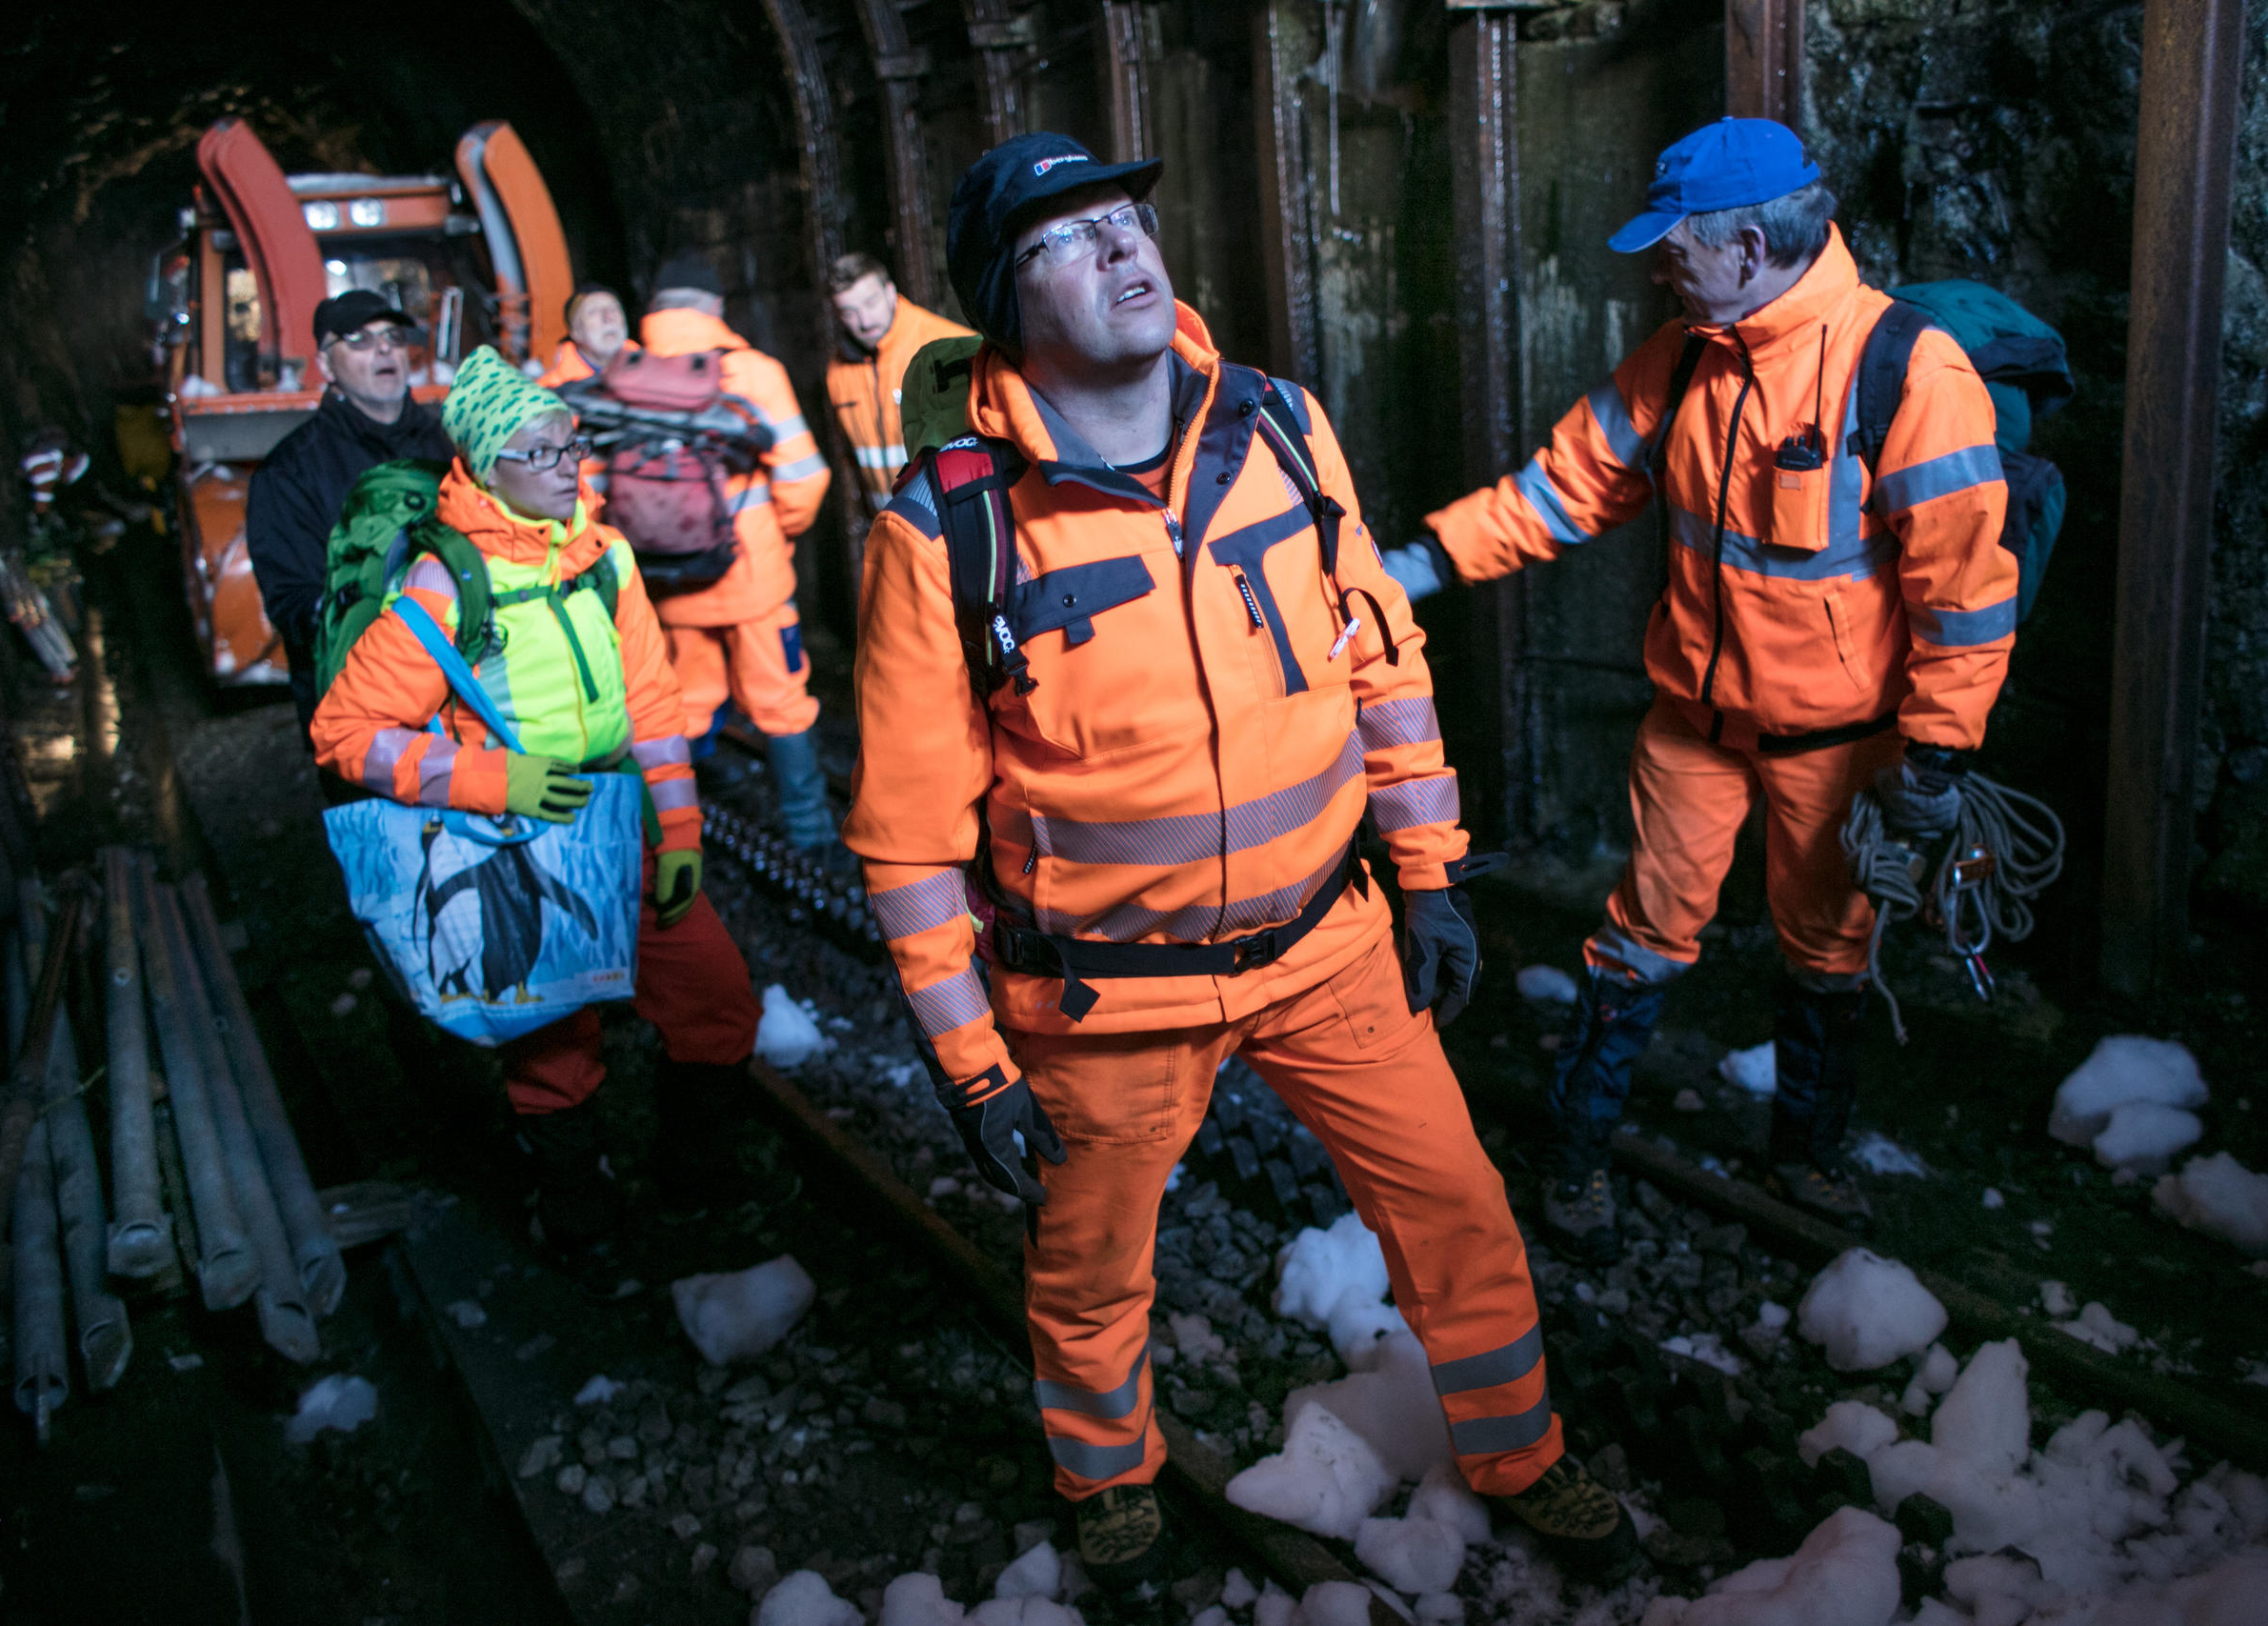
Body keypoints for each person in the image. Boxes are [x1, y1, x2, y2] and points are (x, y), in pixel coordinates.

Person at [844, 131, 1638, 1595]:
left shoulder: (1274, 423)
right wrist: (972, 1065)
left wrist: (1429, 871)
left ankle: (1521, 1449)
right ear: (1005, 308)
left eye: (1127, 220)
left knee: (1457, 1208)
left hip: (1329, 945)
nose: (1125, 250)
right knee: (1089, 1272)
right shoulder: (947, 527)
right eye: (1065, 242)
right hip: (1107, 999)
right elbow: (906, 836)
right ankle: (1107, 1479)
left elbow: (1377, 660)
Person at [1382, 117, 2016, 1247]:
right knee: (1635, 940)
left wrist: (1933, 758)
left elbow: (1963, 593)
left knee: (1827, 957)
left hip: (1839, 750)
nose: (1660, 267)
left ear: (1752, 245)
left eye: (1676, 247)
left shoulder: (1905, 370)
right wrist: (1421, 566)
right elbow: (1561, 488)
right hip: (1691, 732)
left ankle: (1806, 1162)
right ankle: (1573, 1157)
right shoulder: (1682, 356)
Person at [310, 348, 762, 1255]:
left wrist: (678, 832)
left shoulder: (602, 557)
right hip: (515, 835)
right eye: (546, 453)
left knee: (715, 998)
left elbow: (653, 706)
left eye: (573, 445)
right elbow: (346, 732)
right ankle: (577, 1216)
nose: (573, 468)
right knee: (554, 1045)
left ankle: (695, 1182)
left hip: (618, 820)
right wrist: (493, 780)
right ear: (486, 468)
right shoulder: (445, 583)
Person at [635, 255, 837, 853]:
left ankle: (676, 834)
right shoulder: (753, 372)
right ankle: (810, 834)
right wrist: (780, 537)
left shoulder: (624, 378)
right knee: (781, 705)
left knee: (685, 708)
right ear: (715, 308)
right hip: (752, 578)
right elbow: (804, 479)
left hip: (672, 584)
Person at [248, 290, 455, 738]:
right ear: (325, 365)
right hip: (362, 710)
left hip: (465, 692)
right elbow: (293, 601)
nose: (383, 349)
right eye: (359, 340)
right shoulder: (290, 470)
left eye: (393, 337)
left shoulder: (450, 444)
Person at [824, 252, 973, 514]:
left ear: (890, 292)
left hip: (956, 520)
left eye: (871, 303)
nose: (864, 321)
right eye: (849, 312)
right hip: (893, 523)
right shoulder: (838, 372)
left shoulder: (950, 345)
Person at [539, 282, 632, 387]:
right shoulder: (550, 389)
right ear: (576, 332)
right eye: (593, 311)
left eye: (614, 309)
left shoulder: (647, 363)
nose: (608, 317)